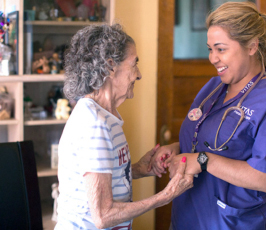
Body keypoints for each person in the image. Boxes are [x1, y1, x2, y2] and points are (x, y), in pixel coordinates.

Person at [149, 2, 266, 230]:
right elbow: (207, 140)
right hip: (188, 217)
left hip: (235, 223)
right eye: (210, 48)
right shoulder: (213, 87)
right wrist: (176, 149)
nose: (212, 58)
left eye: (221, 49)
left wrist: (203, 161)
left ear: (252, 46)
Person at [54, 24, 193, 230]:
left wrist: (138, 169)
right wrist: (166, 196)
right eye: (134, 64)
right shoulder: (94, 125)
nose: (138, 74)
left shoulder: (106, 116)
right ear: (110, 66)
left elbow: (101, 177)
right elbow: (103, 216)